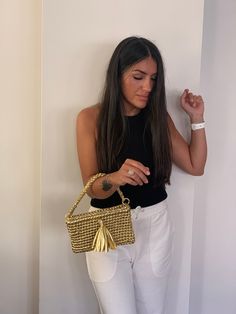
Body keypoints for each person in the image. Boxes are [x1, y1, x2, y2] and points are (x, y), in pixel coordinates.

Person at [76, 36, 207, 314]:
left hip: (155, 224)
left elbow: (196, 165)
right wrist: (115, 177)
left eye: (154, 78)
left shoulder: (158, 118)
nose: (147, 86)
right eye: (138, 76)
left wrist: (196, 118)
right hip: (105, 227)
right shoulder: (89, 119)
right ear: (118, 74)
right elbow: (92, 187)